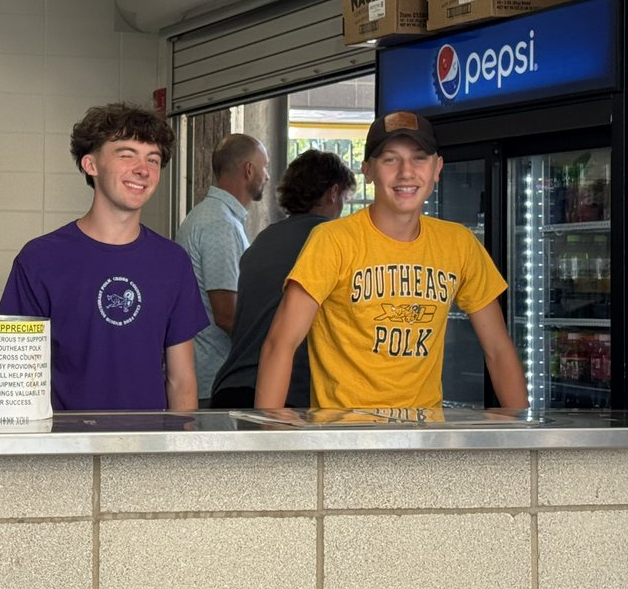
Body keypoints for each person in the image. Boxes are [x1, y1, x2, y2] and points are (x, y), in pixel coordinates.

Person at [255, 110, 528, 410]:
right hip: (347, 441)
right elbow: (279, 344)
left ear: (438, 168)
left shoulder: (459, 244)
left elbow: (499, 350)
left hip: (423, 442)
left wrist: (528, 440)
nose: (406, 172)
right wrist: (269, 436)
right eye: (390, 159)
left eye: (419, 158)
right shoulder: (333, 241)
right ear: (368, 170)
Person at [0, 102, 207, 412]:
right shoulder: (41, 259)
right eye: (126, 155)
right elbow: (14, 377)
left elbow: (181, 380)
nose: (143, 169)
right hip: (63, 448)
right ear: (90, 165)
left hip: (146, 449)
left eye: (153, 159)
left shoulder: (172, 262)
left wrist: (180, 452)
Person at [210, 150, 356, 409]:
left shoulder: (264, 239)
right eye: (344, 198)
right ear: (333, 192)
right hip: (287, 395)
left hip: (231, 388)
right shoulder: (330, 241)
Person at [175, 133, 270, 406]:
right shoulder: (220, 224)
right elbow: (227, 314)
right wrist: (271, 350)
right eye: (264, 167)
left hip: (205, 377)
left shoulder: (212, 216)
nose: (267, 176)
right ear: (249, 170)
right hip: (213, 380)